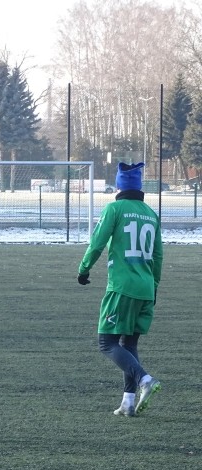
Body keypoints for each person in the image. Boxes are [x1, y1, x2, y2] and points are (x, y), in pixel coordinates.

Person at [77, 162, 163, 417]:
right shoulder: (151, 214)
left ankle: (144, 379)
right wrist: (154, 288)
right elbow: (158, 256)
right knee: (129, 343)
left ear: (118, 187)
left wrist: (84, 269)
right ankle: (128, 401)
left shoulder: (114, 208)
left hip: (122, 287)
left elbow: (97, 243)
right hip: (145, 287)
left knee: (107, 342)